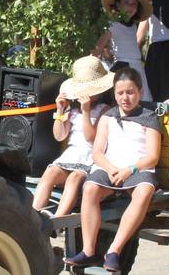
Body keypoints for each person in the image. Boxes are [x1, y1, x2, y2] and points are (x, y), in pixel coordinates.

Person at [63, 67, 162, 272]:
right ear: (115, 94)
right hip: (110, 167)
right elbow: (98, 152)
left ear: (140, 93)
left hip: (137, 169)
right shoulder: (108, 116)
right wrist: (110, 169)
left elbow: (153, 156)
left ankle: (114, 250)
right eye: (120, 93)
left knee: (144, 191)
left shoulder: (150, 117)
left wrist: (130, 170)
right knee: (90, 188)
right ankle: (88, 250)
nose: (125, 98)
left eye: (130, 92)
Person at [32, 56, 114, 217]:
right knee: (50, 173)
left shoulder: (105, 110)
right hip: (72, 154)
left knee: (74, 178)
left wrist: (86, 112)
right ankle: (33, 215)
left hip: (91, 156)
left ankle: (58, 220)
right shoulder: (73, 110)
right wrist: (60, 111)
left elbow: (92, 138)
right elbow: (59, 135)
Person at [92, 0, 150, 100]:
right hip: (123, 69)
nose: (130, 6)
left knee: (141, 100)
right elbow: (98, 48)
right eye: (126, 2)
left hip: (137, 68)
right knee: (126, 99)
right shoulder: (112, 25)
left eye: (134, 4)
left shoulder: (133, 26)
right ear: (118, 5)